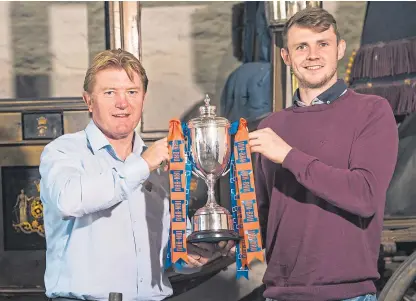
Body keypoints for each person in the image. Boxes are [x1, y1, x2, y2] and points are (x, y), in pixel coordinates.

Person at [39, 49, 234, 301]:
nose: (123, 103)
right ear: (88, 101)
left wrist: (196, 252)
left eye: (132, 92)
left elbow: (170, 255)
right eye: (110, 92)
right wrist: (142, 164)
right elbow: (70, 200)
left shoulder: (159, 162)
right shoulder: (64, 151)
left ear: (143, 98)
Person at [249, 7, 398, 301]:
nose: (313, 55)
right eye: (301, 46)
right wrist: (222, 240)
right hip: (281, 294)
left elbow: (365, 196)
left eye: (323, 44)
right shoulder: (271, 126)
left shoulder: (372, 111)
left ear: (340, 49)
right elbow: (260, 215)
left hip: (347, 294)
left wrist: (289, 155)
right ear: (286, 57)